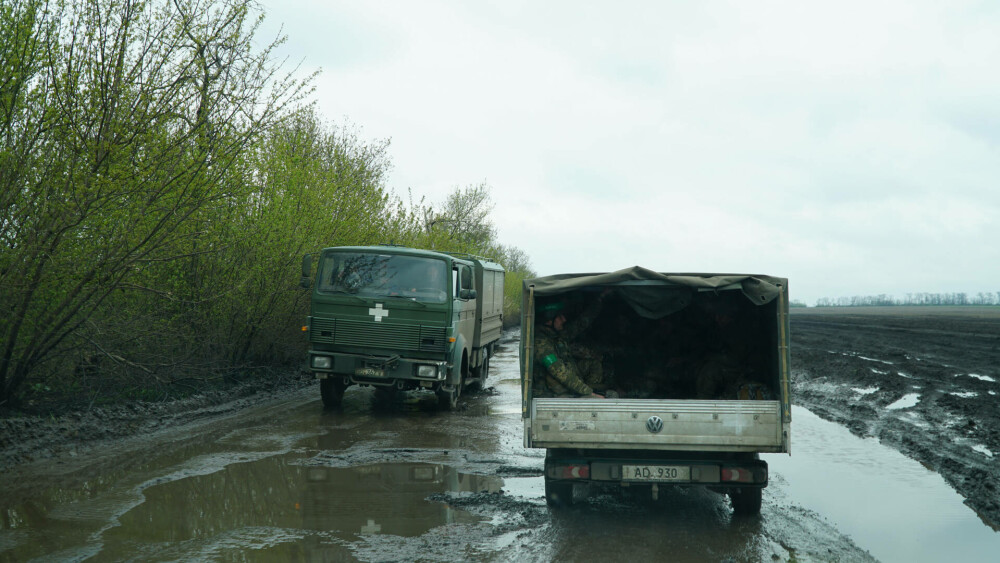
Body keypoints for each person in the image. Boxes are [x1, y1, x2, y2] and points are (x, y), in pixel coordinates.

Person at [533, 293, 611, 398]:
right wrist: (587, 392)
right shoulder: (540, 344)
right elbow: (559, 371)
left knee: (594, 364)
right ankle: (588, 395)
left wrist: (599, 299)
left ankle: (591, 392)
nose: (564, 320)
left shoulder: (556, 335)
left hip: (569, 381)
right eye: (559, 317)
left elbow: (580, 324)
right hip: (552, 393)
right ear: (548, 321)